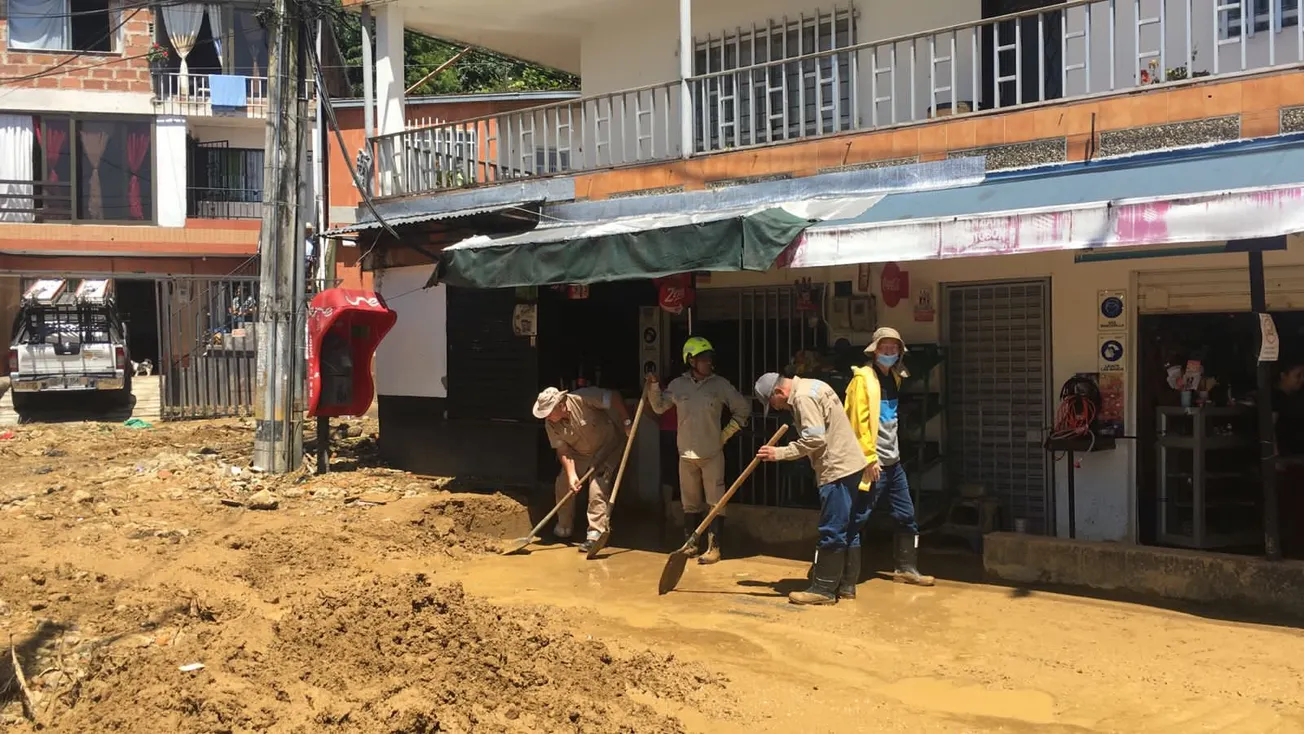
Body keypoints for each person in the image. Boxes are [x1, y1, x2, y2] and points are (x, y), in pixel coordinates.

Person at [754, 370, 868, 605]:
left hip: (836, 468)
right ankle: (846, 586)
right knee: (848, 527)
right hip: (850, 464)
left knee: (832, 527)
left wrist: (779, 453)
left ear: (778, 392)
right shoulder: (812, 385)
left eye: (772, 403)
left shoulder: (803, 397)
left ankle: (823, 589)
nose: (775, 408)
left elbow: (815, 440)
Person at [646, 337, 752, 565]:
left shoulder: (720, 385)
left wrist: (725, 434)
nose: (708, 363)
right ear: (691, 361)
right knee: (690, 502)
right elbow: (659, 407)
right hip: (685, 454)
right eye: (703, 359)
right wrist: (653, 386)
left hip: (712, 453)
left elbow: (742, 409)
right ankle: (690, 544)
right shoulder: (677, 385)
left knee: (716, 501)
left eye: (709, 358)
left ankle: (714, 548)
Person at [845, 327, 935, 587]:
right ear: (874, 351)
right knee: (858, 517)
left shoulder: (894, 378)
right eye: (884, 348)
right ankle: (847, 579)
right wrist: (869, 459)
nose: (889, 352)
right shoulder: (863, 380)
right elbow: (858, 423)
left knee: (906, 515)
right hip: (873, 464)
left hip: (893, 464)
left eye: (894, 349)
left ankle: (906, 568)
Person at [533, 386, 632, 553]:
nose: (547, 417)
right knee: (563, 484)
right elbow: (563, 450)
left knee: (597, 485)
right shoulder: (550, 424)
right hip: (579, 453)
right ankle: (564, 527)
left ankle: (595, 533)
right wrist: (572, 476)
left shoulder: (583, 398)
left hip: (607, 447)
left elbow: (614, 396)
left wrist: (626, 421)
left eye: (549, 412)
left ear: (560, 405)